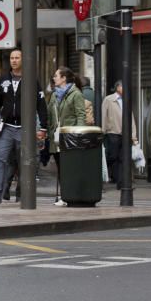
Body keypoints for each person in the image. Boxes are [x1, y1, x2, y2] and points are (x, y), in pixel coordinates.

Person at [0, 49, 47, 204]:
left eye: (17, 58)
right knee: (0, 159)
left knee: (23, 161)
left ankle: (22, 194)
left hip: (25, 128)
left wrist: (43, 127)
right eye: (12, 58)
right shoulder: (3, 79)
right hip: (6, 127)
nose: (14, 60)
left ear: (23, 60)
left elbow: (41, 104)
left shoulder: (31, 79)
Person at [46, 66, 87, 206]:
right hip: (56, 136)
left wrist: (77, 135)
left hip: (69, 136)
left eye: (56, 76)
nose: (54, 78)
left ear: (64, 78)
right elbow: (49, 115)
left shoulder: (75, 94)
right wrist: (48, 131)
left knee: (68, 167)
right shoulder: (54, 95)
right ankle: (64, 195)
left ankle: (69, 195)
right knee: (61, 167)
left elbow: (81, 115)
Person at [101, 80, 137, 190]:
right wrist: (102, 131)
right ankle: (114, 177)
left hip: (125, 134)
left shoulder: (127, 100)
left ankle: (121, 182)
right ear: (118, 88)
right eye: (123, 87)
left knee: (123, 158)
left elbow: (131, 118)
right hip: (113, 132)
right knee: (113, 156)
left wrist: (133, 135)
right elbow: (103, 115)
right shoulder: (109, 99)